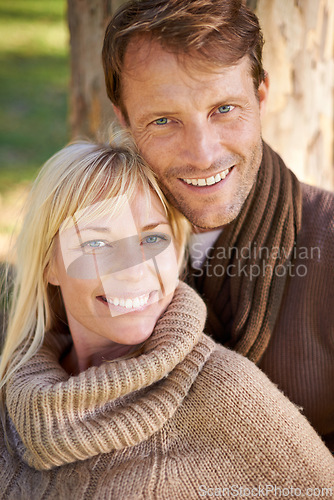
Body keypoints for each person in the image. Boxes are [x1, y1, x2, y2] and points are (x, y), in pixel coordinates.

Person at [0, 140, 333, 498]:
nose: (132, 271)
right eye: (96, 243)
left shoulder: (229, 393)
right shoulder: (10, 375)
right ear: (49, 264)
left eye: (152, 238)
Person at [102, 0, 334, 450]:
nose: (203, 154)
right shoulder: (90, 245)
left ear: (260, 96)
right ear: (124, 119)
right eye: (164, 121)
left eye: (224, 109)